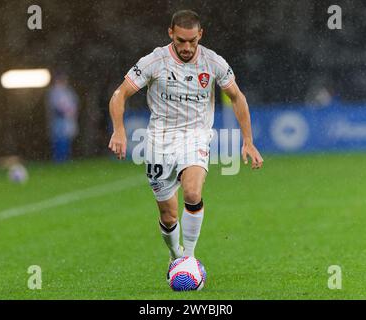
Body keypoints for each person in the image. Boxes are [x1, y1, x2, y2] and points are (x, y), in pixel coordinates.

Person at [108, 10, 263, 265]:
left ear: (200, 34)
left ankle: (189, 259)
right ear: (171, 34)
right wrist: (119, 129)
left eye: (193, 40)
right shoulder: (154, 62)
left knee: (192, 193)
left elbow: (237, 97)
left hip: (196, 137)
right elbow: (119, 94)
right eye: (181, 41)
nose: (188, 47)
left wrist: (248, 140)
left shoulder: (213, 63)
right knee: (168, 217)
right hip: (159, 142)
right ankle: (176, 255)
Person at [46, 73, 79, 162]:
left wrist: (70, 113)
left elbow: (74, 104)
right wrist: (63, 113)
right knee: (59, 139)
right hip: (58, 119)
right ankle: (58, 159)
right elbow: (54, 106)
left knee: (66, 139)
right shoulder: (54, 92)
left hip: (68, 119)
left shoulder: (68, 91)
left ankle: (65, 158)